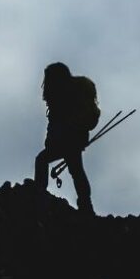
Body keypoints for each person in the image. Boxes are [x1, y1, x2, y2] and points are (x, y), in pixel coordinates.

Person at [34, 62, 99, 215]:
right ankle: (86, 205)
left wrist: (51, 142)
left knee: (44, 161)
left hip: (68, 140)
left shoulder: (60, 96)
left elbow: (56, 123)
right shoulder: (69, 93)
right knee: (76, 169)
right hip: (72, 140)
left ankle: (39, 195)